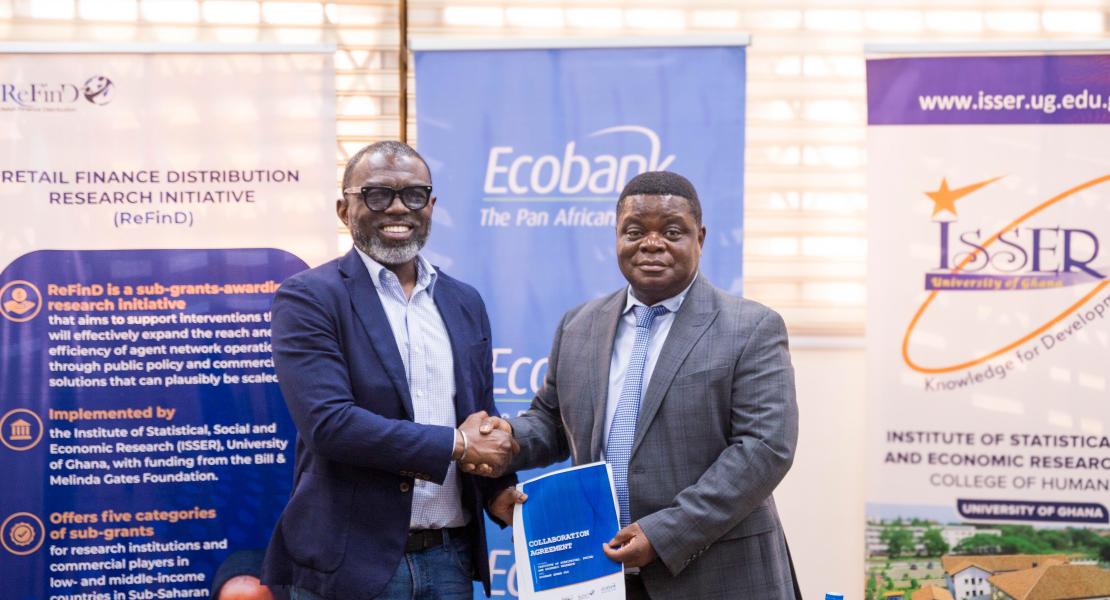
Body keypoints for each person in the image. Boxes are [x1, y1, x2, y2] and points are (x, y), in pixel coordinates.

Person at [480, 171, 801, 599]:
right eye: (634, 231)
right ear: (616, 236)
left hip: (717, 573)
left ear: (699, 238)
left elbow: (764, 449)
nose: (651, 243)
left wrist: (665, 533)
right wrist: (507, 439)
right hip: (600, 573)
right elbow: (554, 422)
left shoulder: (751, 327)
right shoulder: (579, 325)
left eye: (672, 231)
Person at [261, 141, 521, 600]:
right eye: (378, 194)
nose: (398, 208)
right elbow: (330, 424)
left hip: (449, 558)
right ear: (345, 209)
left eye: (414, 195)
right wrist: (458, 445)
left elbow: (478, 414)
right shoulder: (308, 298)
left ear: (431, 206)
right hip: (349, 563)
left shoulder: (464, 302)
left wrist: (498, 486)